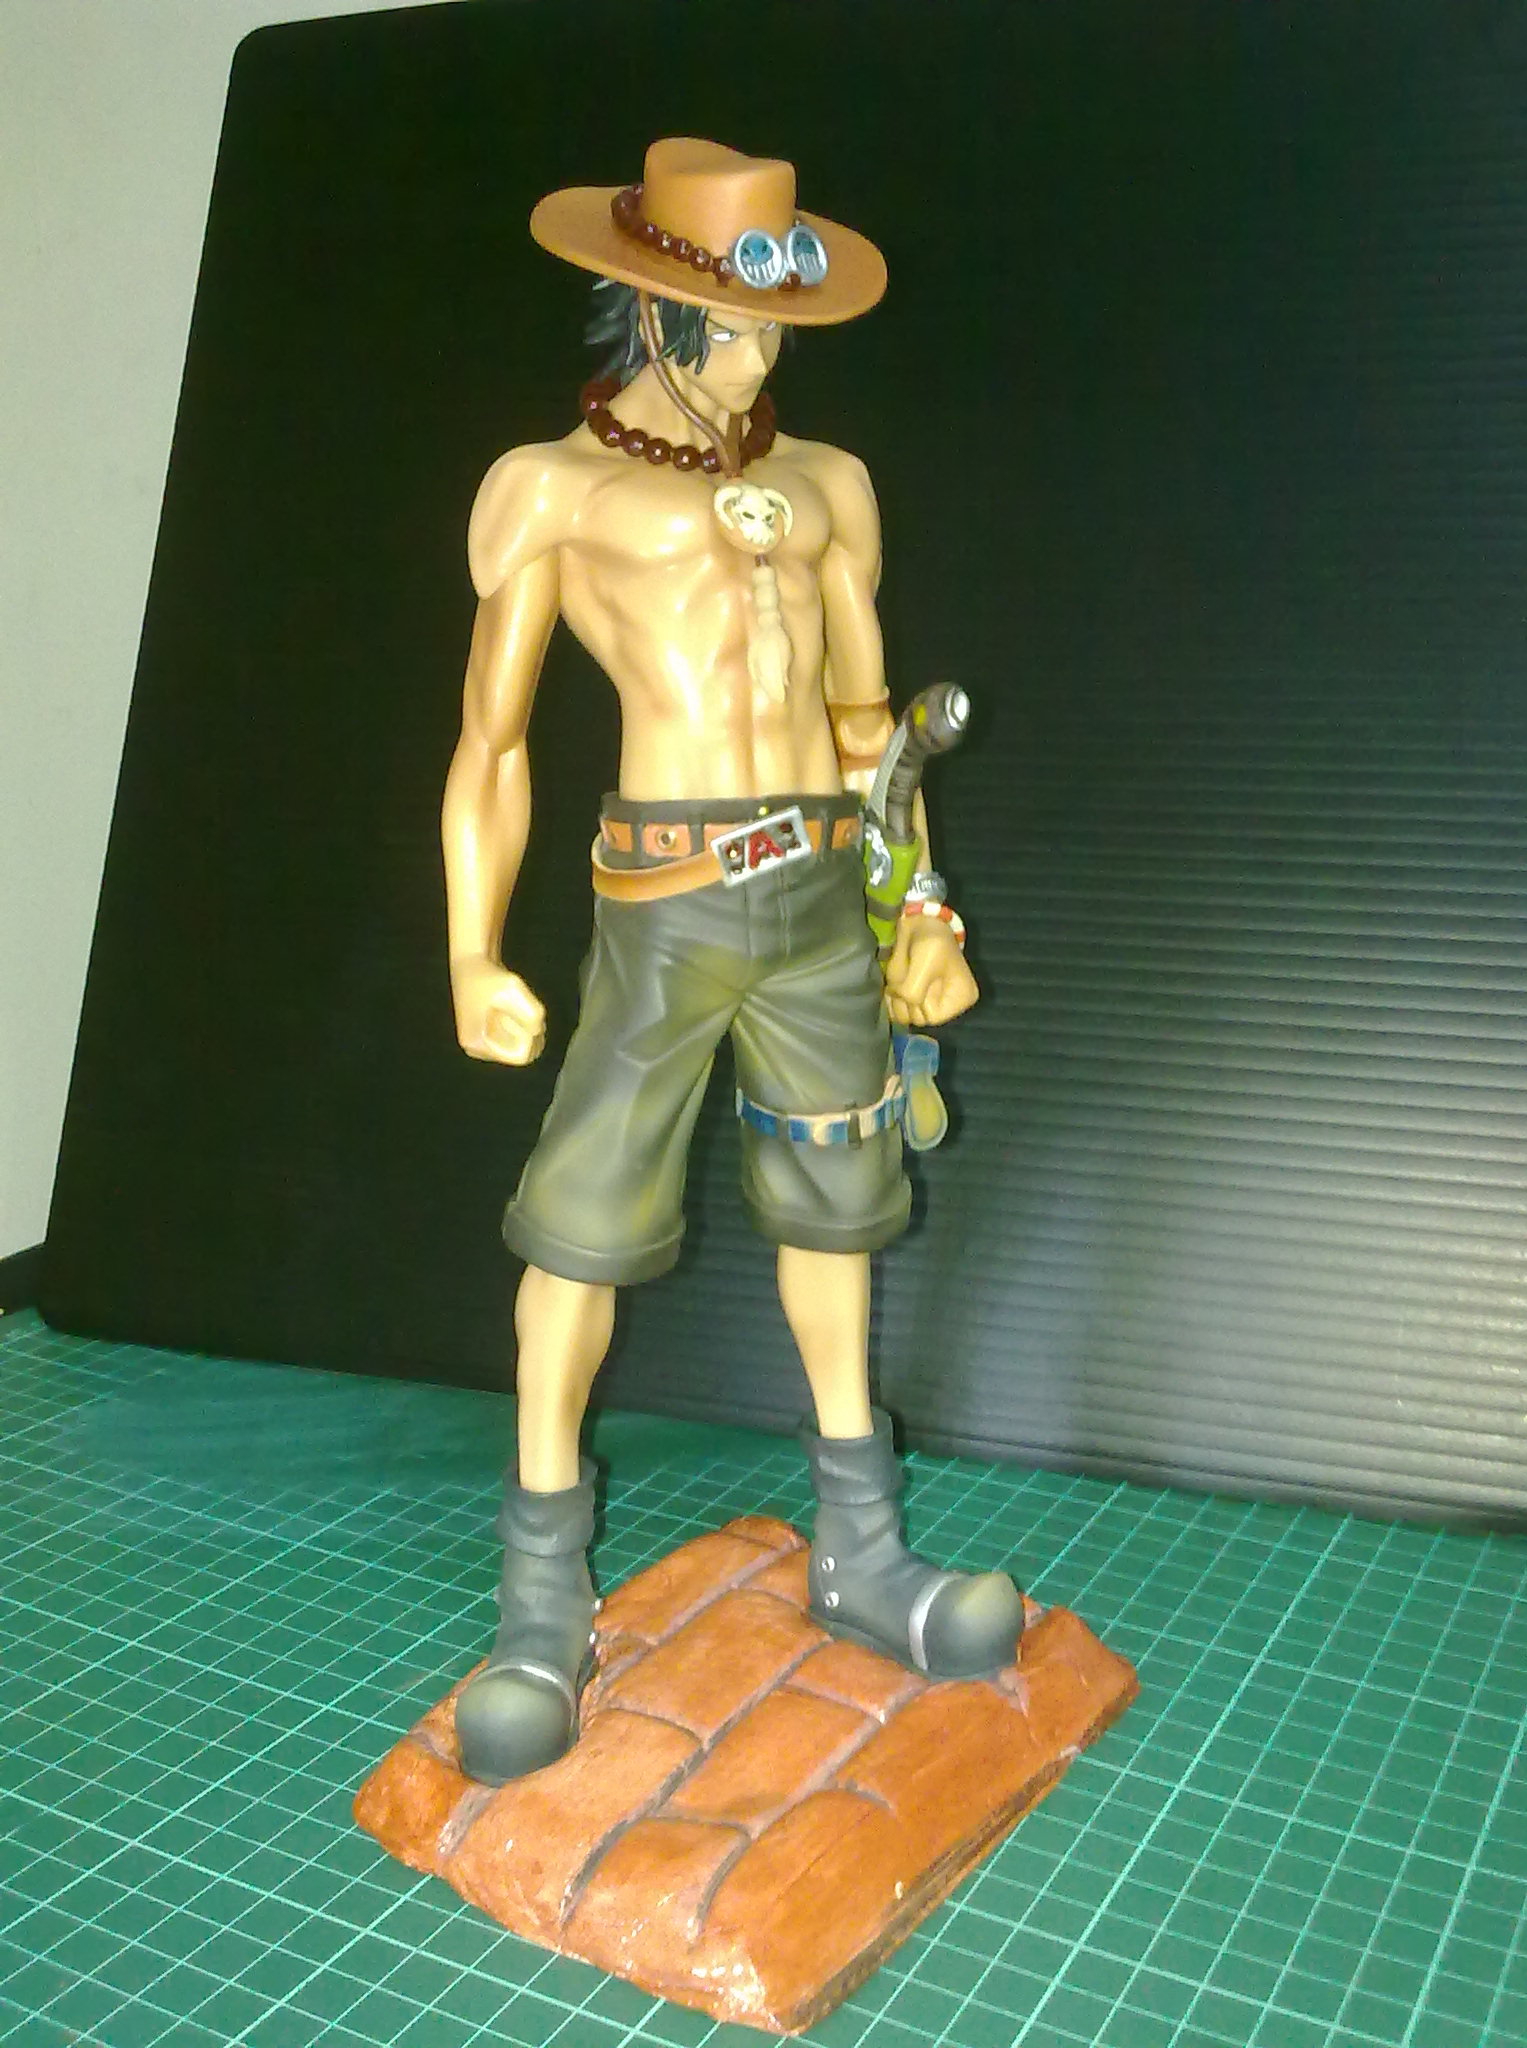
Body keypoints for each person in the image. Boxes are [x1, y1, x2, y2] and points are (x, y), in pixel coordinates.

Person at [442, 139, 1022, 1787]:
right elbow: (492, 742)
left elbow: (869, 730)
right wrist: (471, 950)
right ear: (654, 316)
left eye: (777, 330)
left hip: (824, 900)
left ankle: (863, 1553)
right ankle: (540, 1605)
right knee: (580, 1232)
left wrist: (918, 908)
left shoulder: (829, 485)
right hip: (668, 903)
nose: (763, 360)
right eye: (736, 328)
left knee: (840, 1208)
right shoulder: (556, 491)